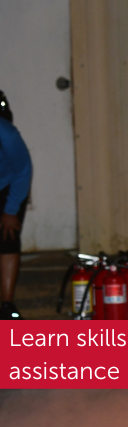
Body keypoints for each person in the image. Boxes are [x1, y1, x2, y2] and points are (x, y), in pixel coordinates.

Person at [0, 91, 32, 320]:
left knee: (7, 238)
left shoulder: (6, 133)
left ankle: (7, 304)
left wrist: (11, 210)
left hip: (8, 184)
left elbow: (23, 170)